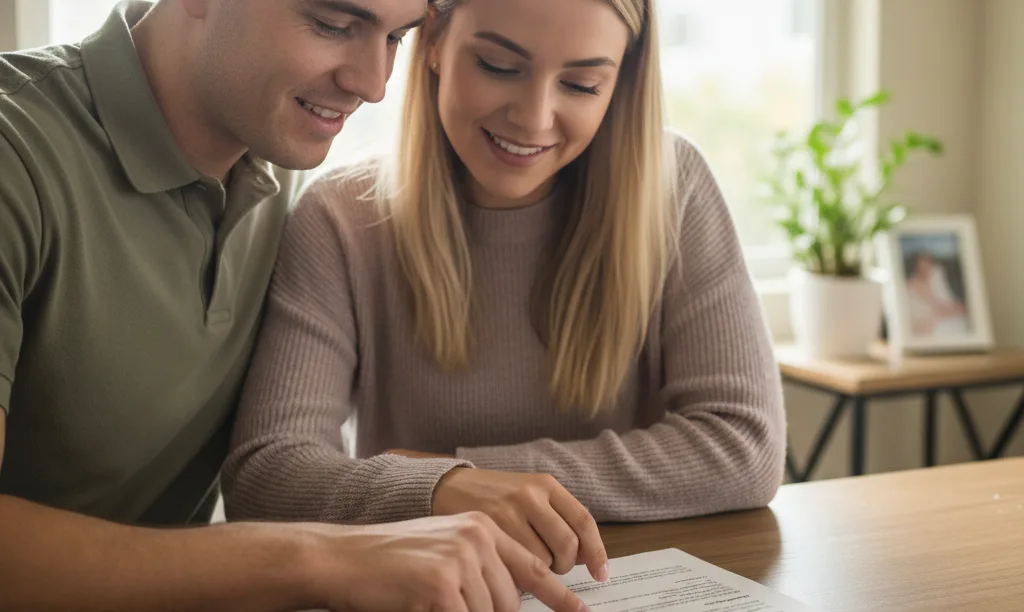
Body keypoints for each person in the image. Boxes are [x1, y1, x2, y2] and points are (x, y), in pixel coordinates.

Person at [0, 1, 587, 610]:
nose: (374, 85)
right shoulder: (15, 153)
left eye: (398, 38)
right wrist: (322, 557)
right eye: (334, 25)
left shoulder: (282, 168)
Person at [224, 0, 787, 581]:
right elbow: (268, 477)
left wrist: (455, 477)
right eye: (498, 66)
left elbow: (743, 446)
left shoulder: (674, 188)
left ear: (623, 79)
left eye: (581, 83)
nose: (535, 118)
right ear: (434, 40)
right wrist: (448, 489)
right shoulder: (341, 218)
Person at [905, 251, 969, 336]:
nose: (926, 266)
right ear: (916, 266)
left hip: (938, 315)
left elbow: (942, 302)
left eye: (928, 262)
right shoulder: (913, 284)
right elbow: (935, 306)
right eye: (922, 263)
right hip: (925, 322)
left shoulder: (934, 279)